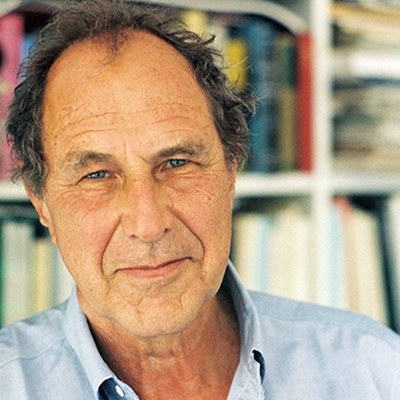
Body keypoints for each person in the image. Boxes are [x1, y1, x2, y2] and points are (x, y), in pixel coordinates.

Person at [1, 0, 399, 399]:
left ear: (230, 170)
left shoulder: (374, 369)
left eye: (177, 163)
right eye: (97, 175)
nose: (148, 224)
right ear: (42, 203)